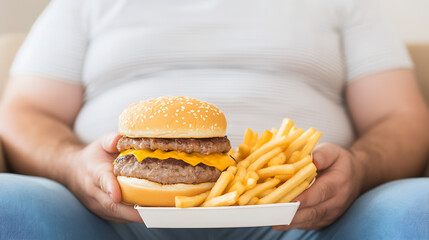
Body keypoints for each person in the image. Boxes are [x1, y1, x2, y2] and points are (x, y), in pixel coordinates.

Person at [0, 0, 428, 239]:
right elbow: (24, 113)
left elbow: (402, 116)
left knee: (418, 208)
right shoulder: (83, 5)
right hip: (104, 219)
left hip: (310, 219)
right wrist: (75, 167)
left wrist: (361, 169)